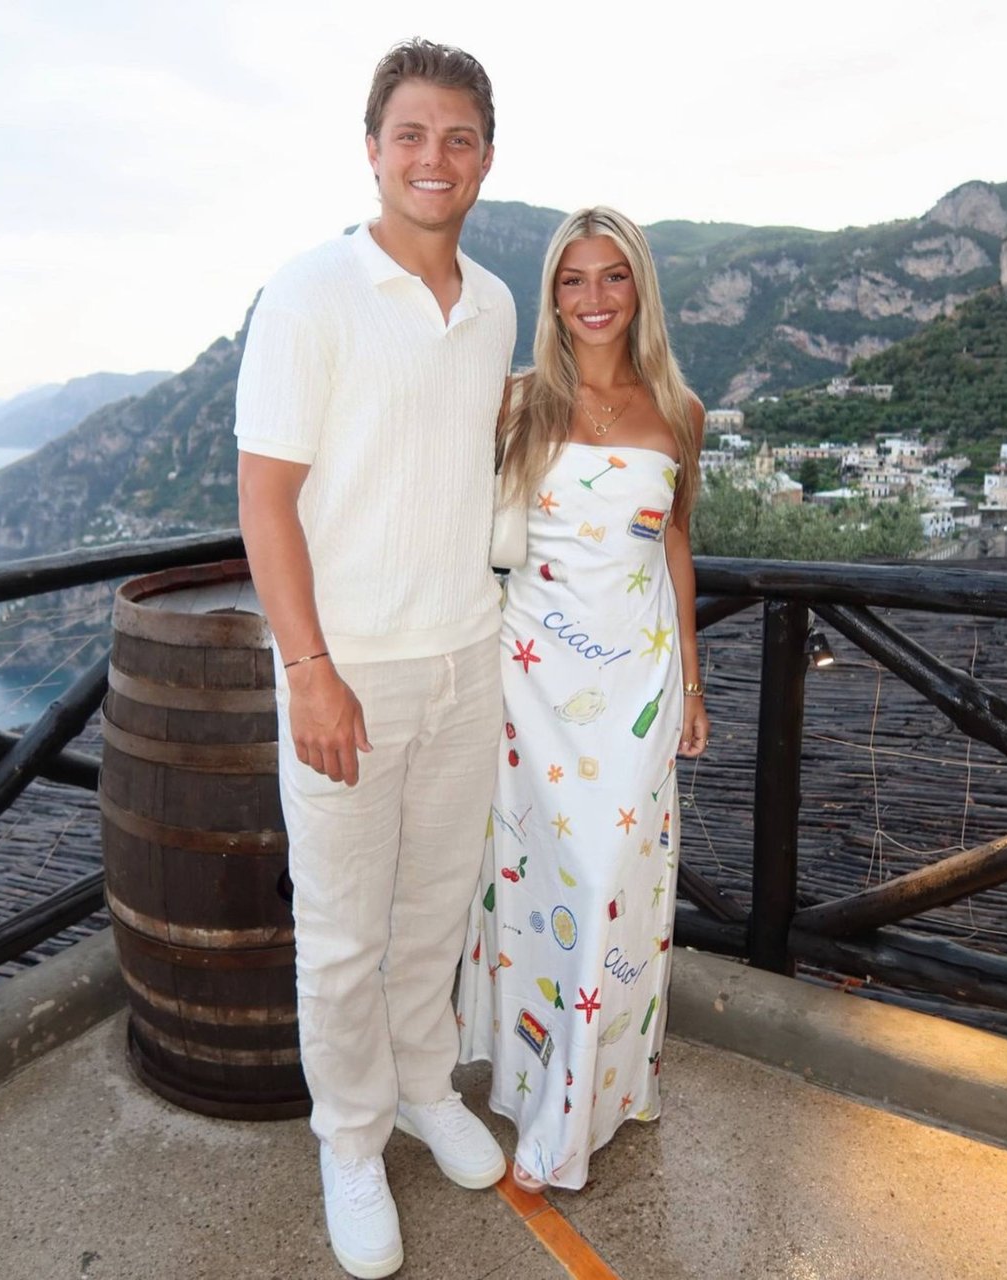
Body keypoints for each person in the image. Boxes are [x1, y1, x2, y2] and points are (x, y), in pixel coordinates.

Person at [235, 38, 515, 1280]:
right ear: (371, 149)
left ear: (485, 157)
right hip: (351, 671)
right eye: (411, 134)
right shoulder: (310, 293)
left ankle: (417, 1086)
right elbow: (264, 499)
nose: (433, 157)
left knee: (431, 906)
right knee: (342, 930)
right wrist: (308, 666)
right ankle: (348, 1136)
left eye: (457, 136)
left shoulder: (499, 302)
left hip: (467, 657)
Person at [457, 206, 709, 1193]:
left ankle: (584, 1099)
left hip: (634, 686)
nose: (594, 297)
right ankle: (532, 1077)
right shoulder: (515, 403)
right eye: (573, 279)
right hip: (530, 681)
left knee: (613, 877)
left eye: (613, 277)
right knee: (538, 885)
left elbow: (674, 540)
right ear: (551, 295)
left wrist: (689, 675)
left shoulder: (678, 408)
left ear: (638, 288)